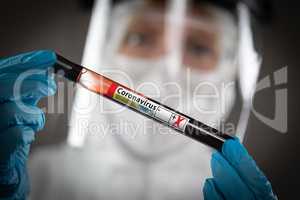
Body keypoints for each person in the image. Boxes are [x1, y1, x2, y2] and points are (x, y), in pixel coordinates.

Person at [0, 0, 277, 199]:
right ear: (103, 46)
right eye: (139, 37)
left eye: (199, 47)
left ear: (232, 70)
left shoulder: (234, 192)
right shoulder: (32, 179)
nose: (164, 75)